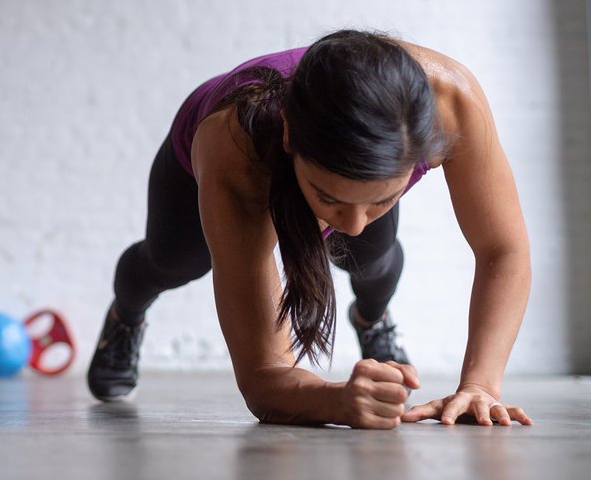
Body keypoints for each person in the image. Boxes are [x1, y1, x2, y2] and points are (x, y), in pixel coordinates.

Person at [87, 30, 532, 429]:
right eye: (330, 198)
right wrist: (337, 401)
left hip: (340, 155)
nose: (353, 225)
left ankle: (371, 317)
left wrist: (481, 386)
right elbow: (264, 376)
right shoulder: (234, 151)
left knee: (372, 257)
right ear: (289, 139)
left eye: (383, 199)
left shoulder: (451, 103)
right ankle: (124, 316)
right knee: (172, 261)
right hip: (209, 158)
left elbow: (502, 249)